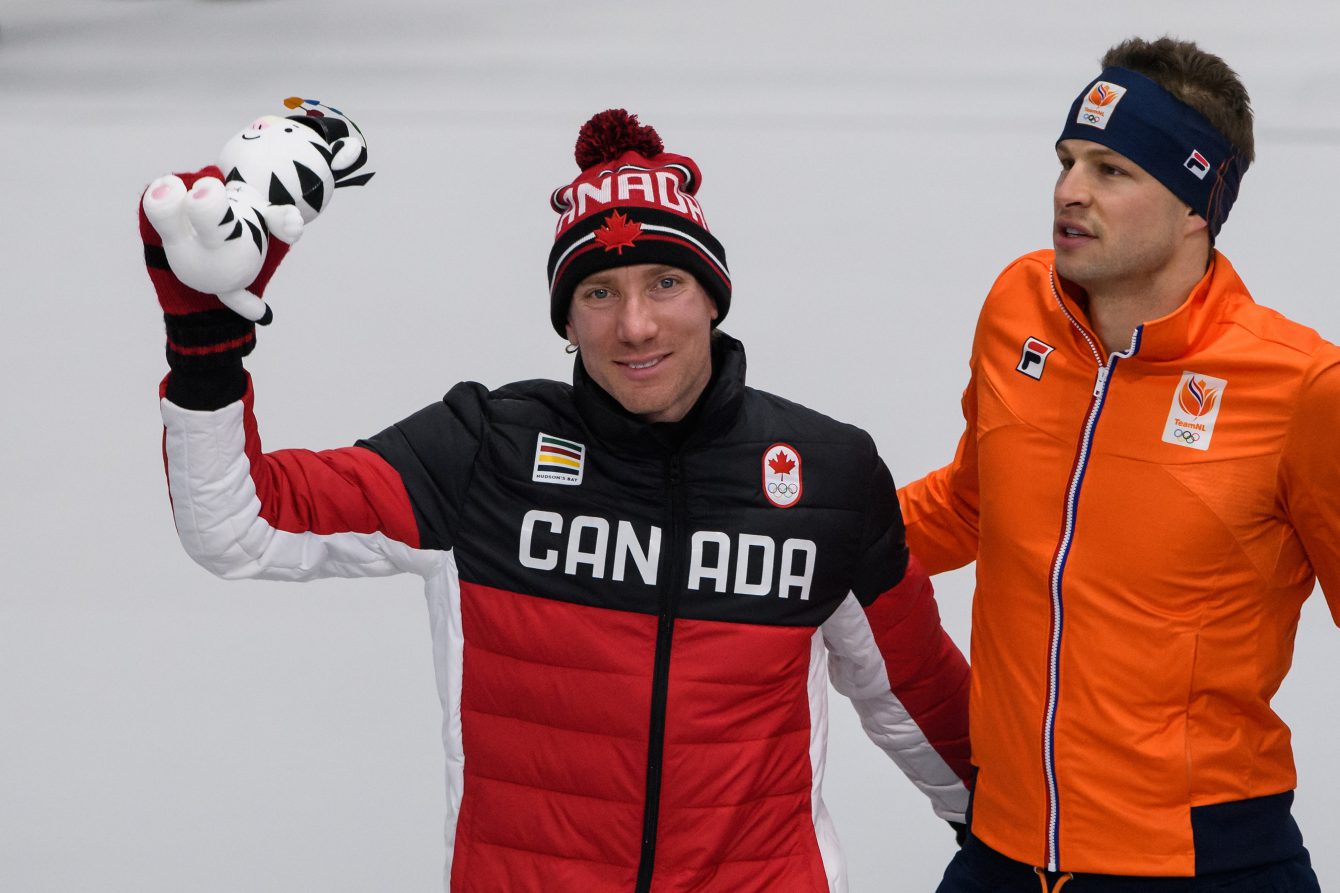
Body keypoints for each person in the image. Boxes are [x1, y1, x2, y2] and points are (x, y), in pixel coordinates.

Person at [141, 108, 973, 892]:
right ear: (566, 321)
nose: (636, 326)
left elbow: (921, 701)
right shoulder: (483, 451)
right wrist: (207, 341)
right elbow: (239, 525)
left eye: (666, 283)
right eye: (599, 294)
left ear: (713, 298)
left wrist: (1029, 845)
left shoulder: (825, 475)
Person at [899, 37, 1339, 892]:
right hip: (1003, 847)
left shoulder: (1299, 387)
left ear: (1195, 205)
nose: (1069, 191)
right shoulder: (1015, 307)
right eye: (1067, 161)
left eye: (1112, 169)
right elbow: (970, 506)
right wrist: (808, 526)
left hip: (1202, 857)